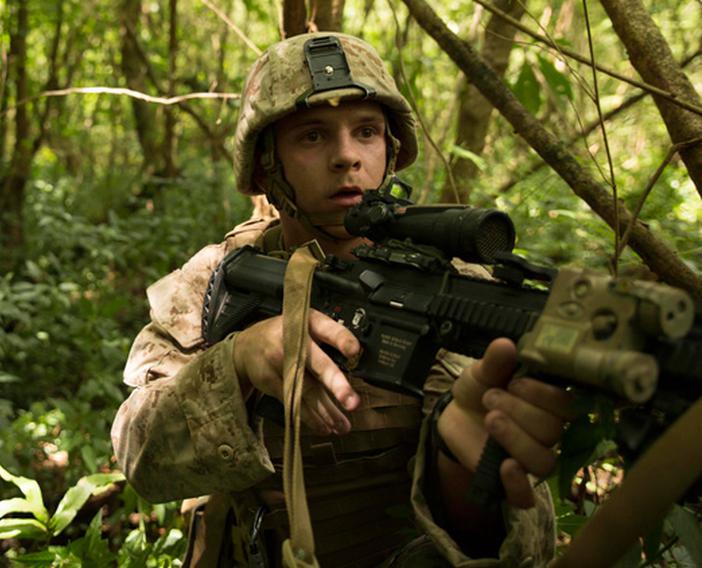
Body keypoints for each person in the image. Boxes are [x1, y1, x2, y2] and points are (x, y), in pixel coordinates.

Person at [112, 33, 571, 567]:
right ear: (265, 166)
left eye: (367, 132)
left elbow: (524, 547)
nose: (347, 157)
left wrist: (461, 463)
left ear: (391, 150)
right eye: (312, 136)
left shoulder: (461, 287)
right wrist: (237, 362)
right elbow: (138, 455)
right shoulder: (214, 280)